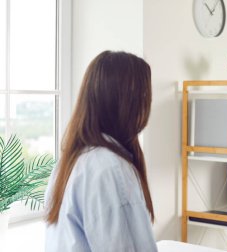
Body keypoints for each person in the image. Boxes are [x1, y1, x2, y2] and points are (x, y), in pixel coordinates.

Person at [45, 51, 157, 252]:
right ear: (127, 102)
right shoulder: (111, 170)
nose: (148, 103)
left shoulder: (70, 161)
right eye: (144, 95)